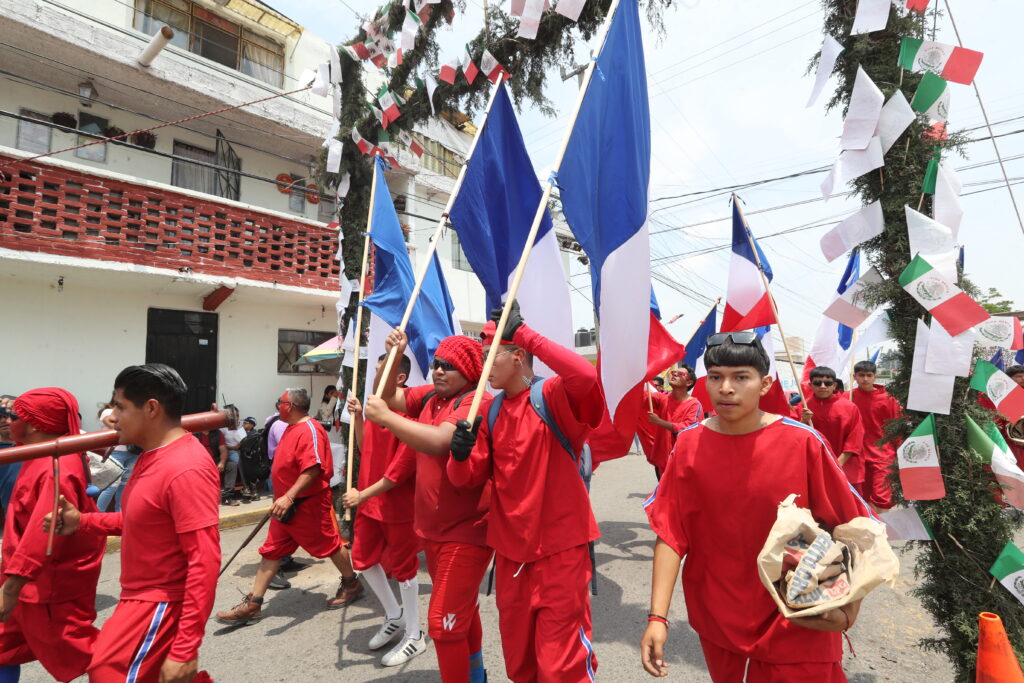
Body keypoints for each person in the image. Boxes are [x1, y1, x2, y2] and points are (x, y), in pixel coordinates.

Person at [640, 333, 874, 681]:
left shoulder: (803, 443)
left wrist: (849, 607)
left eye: (741, 377)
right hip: (718, 619)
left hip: (797, 615)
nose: (726, 388)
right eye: (716, 377)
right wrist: (657, 617)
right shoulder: (689, 445)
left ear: (765, 384)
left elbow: (857, 528)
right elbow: (671, 534)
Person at [449, 301, 602, 683]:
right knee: (521, 666)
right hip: (510, 556)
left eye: (490, 357)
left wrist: (526, 332)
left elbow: (585, 377)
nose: (483, 367)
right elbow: (465, 480)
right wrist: (458, 455)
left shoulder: (550, 396)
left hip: (560, 553)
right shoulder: (492, 411)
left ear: (518, 357)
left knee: (562, 667)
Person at [44, 364, 221, 683]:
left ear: (151, 408)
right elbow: (142, 521)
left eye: (120, 406)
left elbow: (204, 560)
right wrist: (82, 522)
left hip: (160, 603)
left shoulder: (186, 468)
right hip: (137, 598)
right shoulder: (152, 455)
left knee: (109, 674)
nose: (112, 416)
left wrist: (184, 650)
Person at [346, 332, 493, 679]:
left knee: (442, 625)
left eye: (449, 366)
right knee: (462, 615)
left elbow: (441, 441)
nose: (439, 371)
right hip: (433, 531)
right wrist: (394, 354)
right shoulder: (431, 397)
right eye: (436, 364)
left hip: (466, 533)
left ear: (469, 371)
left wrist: (386, 418)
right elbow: (385, 396)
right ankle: (476, 676)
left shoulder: (474, 401)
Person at [215, 388, 362, 625]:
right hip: (285, 507)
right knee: (272, 550)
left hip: (307, 504)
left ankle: (351, 582)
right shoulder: (289, 427)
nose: (277, 405)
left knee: (330, 545)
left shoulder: (310, 429)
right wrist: (282, 499)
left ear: (290, 405)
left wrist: (289, 497)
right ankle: (254, 603)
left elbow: (313, 468)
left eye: (279, 402)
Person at [0, 388, 105, 682]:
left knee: (90, 655)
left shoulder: (56, 465)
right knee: (2, 647)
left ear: (34, 424)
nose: (7, 421)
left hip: (43, 585)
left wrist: (11, 590)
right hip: (22, 577)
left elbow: (42, 534)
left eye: (12, 415)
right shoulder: (42, 453)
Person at [339, 353, 422, 667]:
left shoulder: (411, 415)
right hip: (369, 501)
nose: (372, 378)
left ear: (398, 378)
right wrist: (360, 418)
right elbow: (366, 448)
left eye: (378, 372)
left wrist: (361, 496)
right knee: (362, 559)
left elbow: (398, 474)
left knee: (405, 569)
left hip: (397, 506)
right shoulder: (376, 408)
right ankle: (394, 614)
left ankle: (415, 634)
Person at [797, 366, 866, 495]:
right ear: (810, 385)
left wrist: (836, 465)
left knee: (852, 510)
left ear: (834, 385)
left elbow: (855, 440)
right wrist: (803, 421)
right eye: (817, 383)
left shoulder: (849, 407)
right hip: (814, 469)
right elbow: (793, 437)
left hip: (846, 468)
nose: (823, 386)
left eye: (827, 383)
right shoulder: (803, 407)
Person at [851, 361, 904, 511]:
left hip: (883, 455)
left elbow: (897, 428)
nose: (865, 379)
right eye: (861, 375)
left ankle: (882, 530)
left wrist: (900, 454)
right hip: (856, 456)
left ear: (875, 377)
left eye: (869, 375)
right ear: (854, 376)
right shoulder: (847, 398)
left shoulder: (888, 399)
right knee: (861, 497)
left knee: (882, 498)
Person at [642, 364, 705, 479]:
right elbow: (643, 399)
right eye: (673, 373)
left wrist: (660, 422)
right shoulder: (663, 398)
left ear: (689, 383)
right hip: (662, 461)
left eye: (680, 374)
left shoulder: (694, 405)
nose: (674, 374)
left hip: (681, 462)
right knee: (664, 495)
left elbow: (689, 428)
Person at [95, 403, 139, 513]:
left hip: (133, 451)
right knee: (111, 486)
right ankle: (98, 513)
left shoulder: (132, 413)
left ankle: (120, 515)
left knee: (124, 487)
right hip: (115, 452)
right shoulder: (108, 412)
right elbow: (113, 426)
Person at [980, 364, 1024, 469]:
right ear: (1008, 378)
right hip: (1004, 441)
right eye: (1019, 376)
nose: (1023, 379)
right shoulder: (997, 393)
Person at [219, 407, 255, 503]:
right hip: (230, 450)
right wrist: (233, 448)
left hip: (241, 449)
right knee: (239, 460)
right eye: (234, 415)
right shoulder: (223, 427)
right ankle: (246, 487)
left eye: (237, 415)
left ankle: (253, 487)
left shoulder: (240, 425)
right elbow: (221, 444)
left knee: (251, 459)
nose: (236, 417)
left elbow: (244, 439)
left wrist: (241, 445)